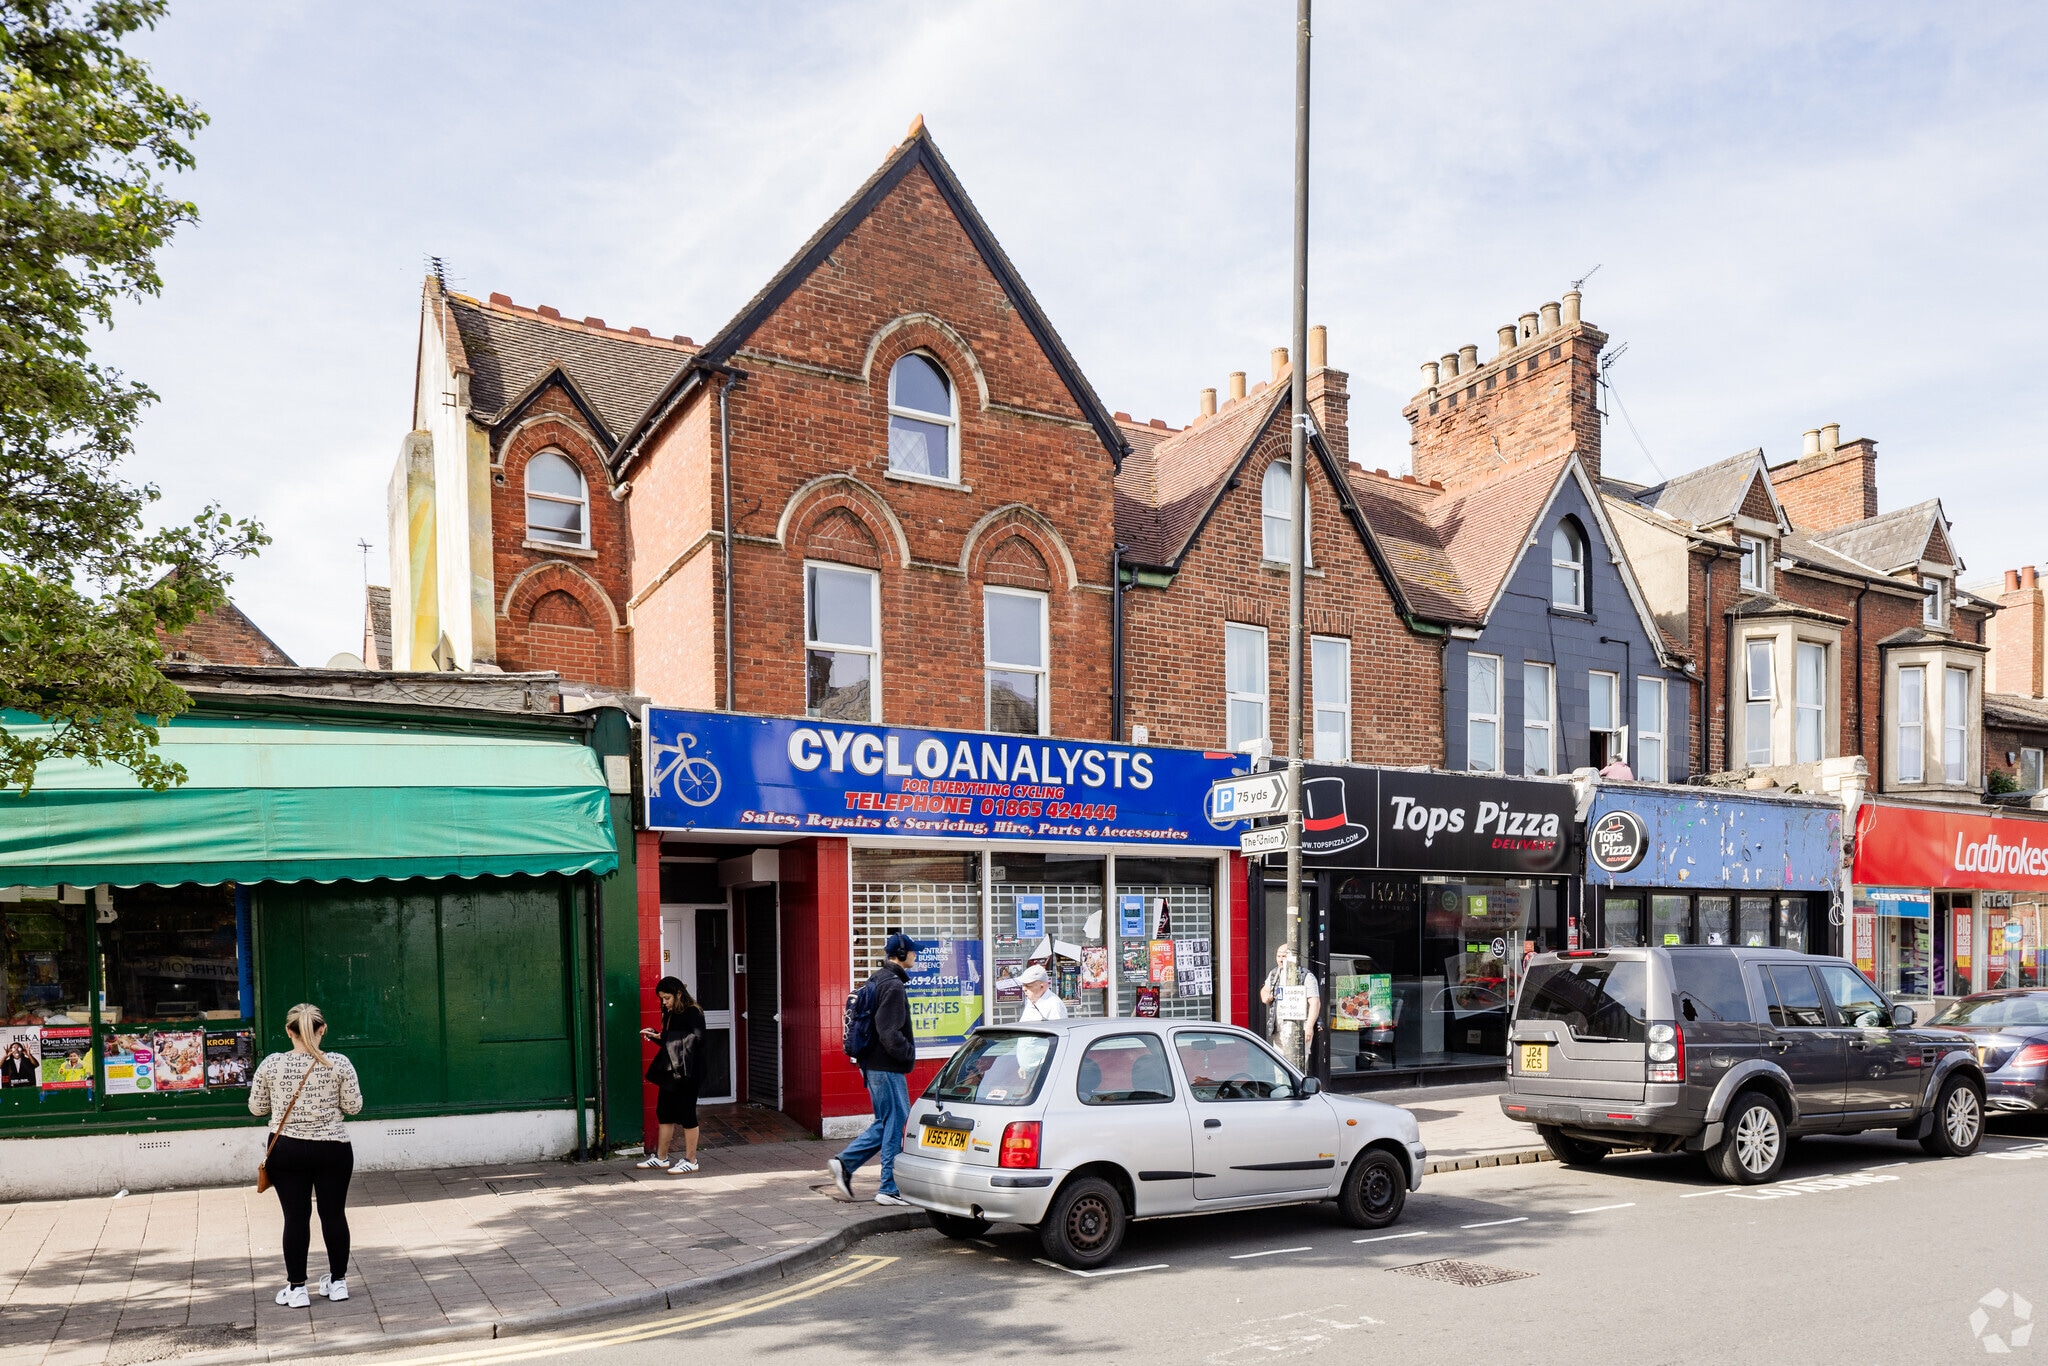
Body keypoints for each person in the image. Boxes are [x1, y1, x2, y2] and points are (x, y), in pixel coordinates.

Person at [249, 1003, 363, 1310]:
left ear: (289, 1031)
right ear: (323, 1029)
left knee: (295, 1217)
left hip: (286, 1148)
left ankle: (297, 1288)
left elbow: (257, 1108)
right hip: (333, 1148)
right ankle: (338, 1283)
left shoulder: (272, 1064)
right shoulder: (339, 1063)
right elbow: (353, 1107)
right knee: (334, 1214)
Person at [827, 933, 917, 1206]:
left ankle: (845, 1163)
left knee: (885, 1122)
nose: (915, 955)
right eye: (912, 951)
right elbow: (888, 1032)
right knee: (896, 1123)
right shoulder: (893, 986)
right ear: (901, 955)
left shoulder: (877, 979)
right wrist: (908, 1053)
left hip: (872, 1064)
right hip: (886, 1066)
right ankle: (888, 1188)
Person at [637, 976, 707, 1174]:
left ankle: (691, 1160)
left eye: (667, 998)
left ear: (679, 994)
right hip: (673, 1070)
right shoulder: (670, 1013)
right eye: (662, 999)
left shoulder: (693, 1012)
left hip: (690, 1071)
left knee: (687, 1113)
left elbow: (698, 1040)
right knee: (664, 1111)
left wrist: (665, 1036)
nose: (664, 1002)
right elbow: (672, 1043)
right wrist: (656, 1036)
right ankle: (662, 1158)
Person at [1259, 943, 1322, 1049]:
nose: (1280, 960)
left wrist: (1309, 1026)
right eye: (1278, 956)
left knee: (1298, 1058)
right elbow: (1265, 989)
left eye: (1283, 956)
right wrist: (1265, 996)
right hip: (1279, 1030)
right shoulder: (1274, 973)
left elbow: (1315, 1003)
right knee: (1278, 1059)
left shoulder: (1306, 976)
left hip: (1299, 1029)